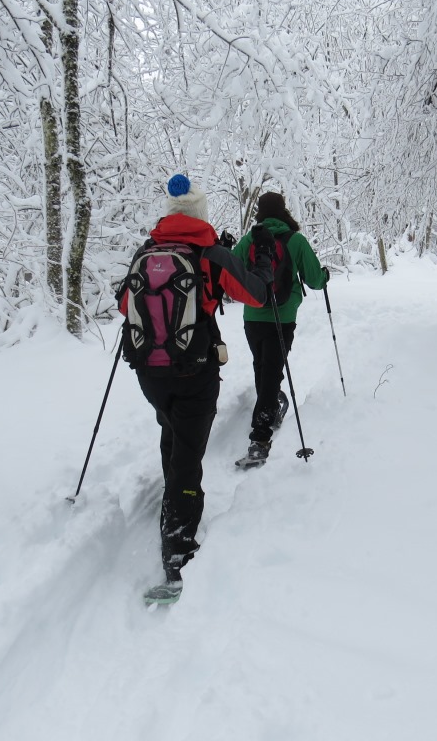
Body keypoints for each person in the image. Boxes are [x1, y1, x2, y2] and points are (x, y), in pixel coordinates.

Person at [118, 174, 273, 596]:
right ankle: (178, 551)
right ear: (201, 214)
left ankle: (173, 496)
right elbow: (257, 295)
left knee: (172, 430)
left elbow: (125, 305)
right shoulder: (212, 253)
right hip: (194, 370)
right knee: (188, 452)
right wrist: (260, 261)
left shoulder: (145, 252)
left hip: (149, 372)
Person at [232, 192, 328, 468]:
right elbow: (314, 279)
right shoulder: (295, 240)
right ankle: (260, 439)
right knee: (272, 371)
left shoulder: (250, 239)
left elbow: (233, 271)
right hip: (283, 316)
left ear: (260, 213)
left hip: (253, 315)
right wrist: (324, 276)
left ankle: (269, 406)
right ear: (283, 210)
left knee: (262, 366)